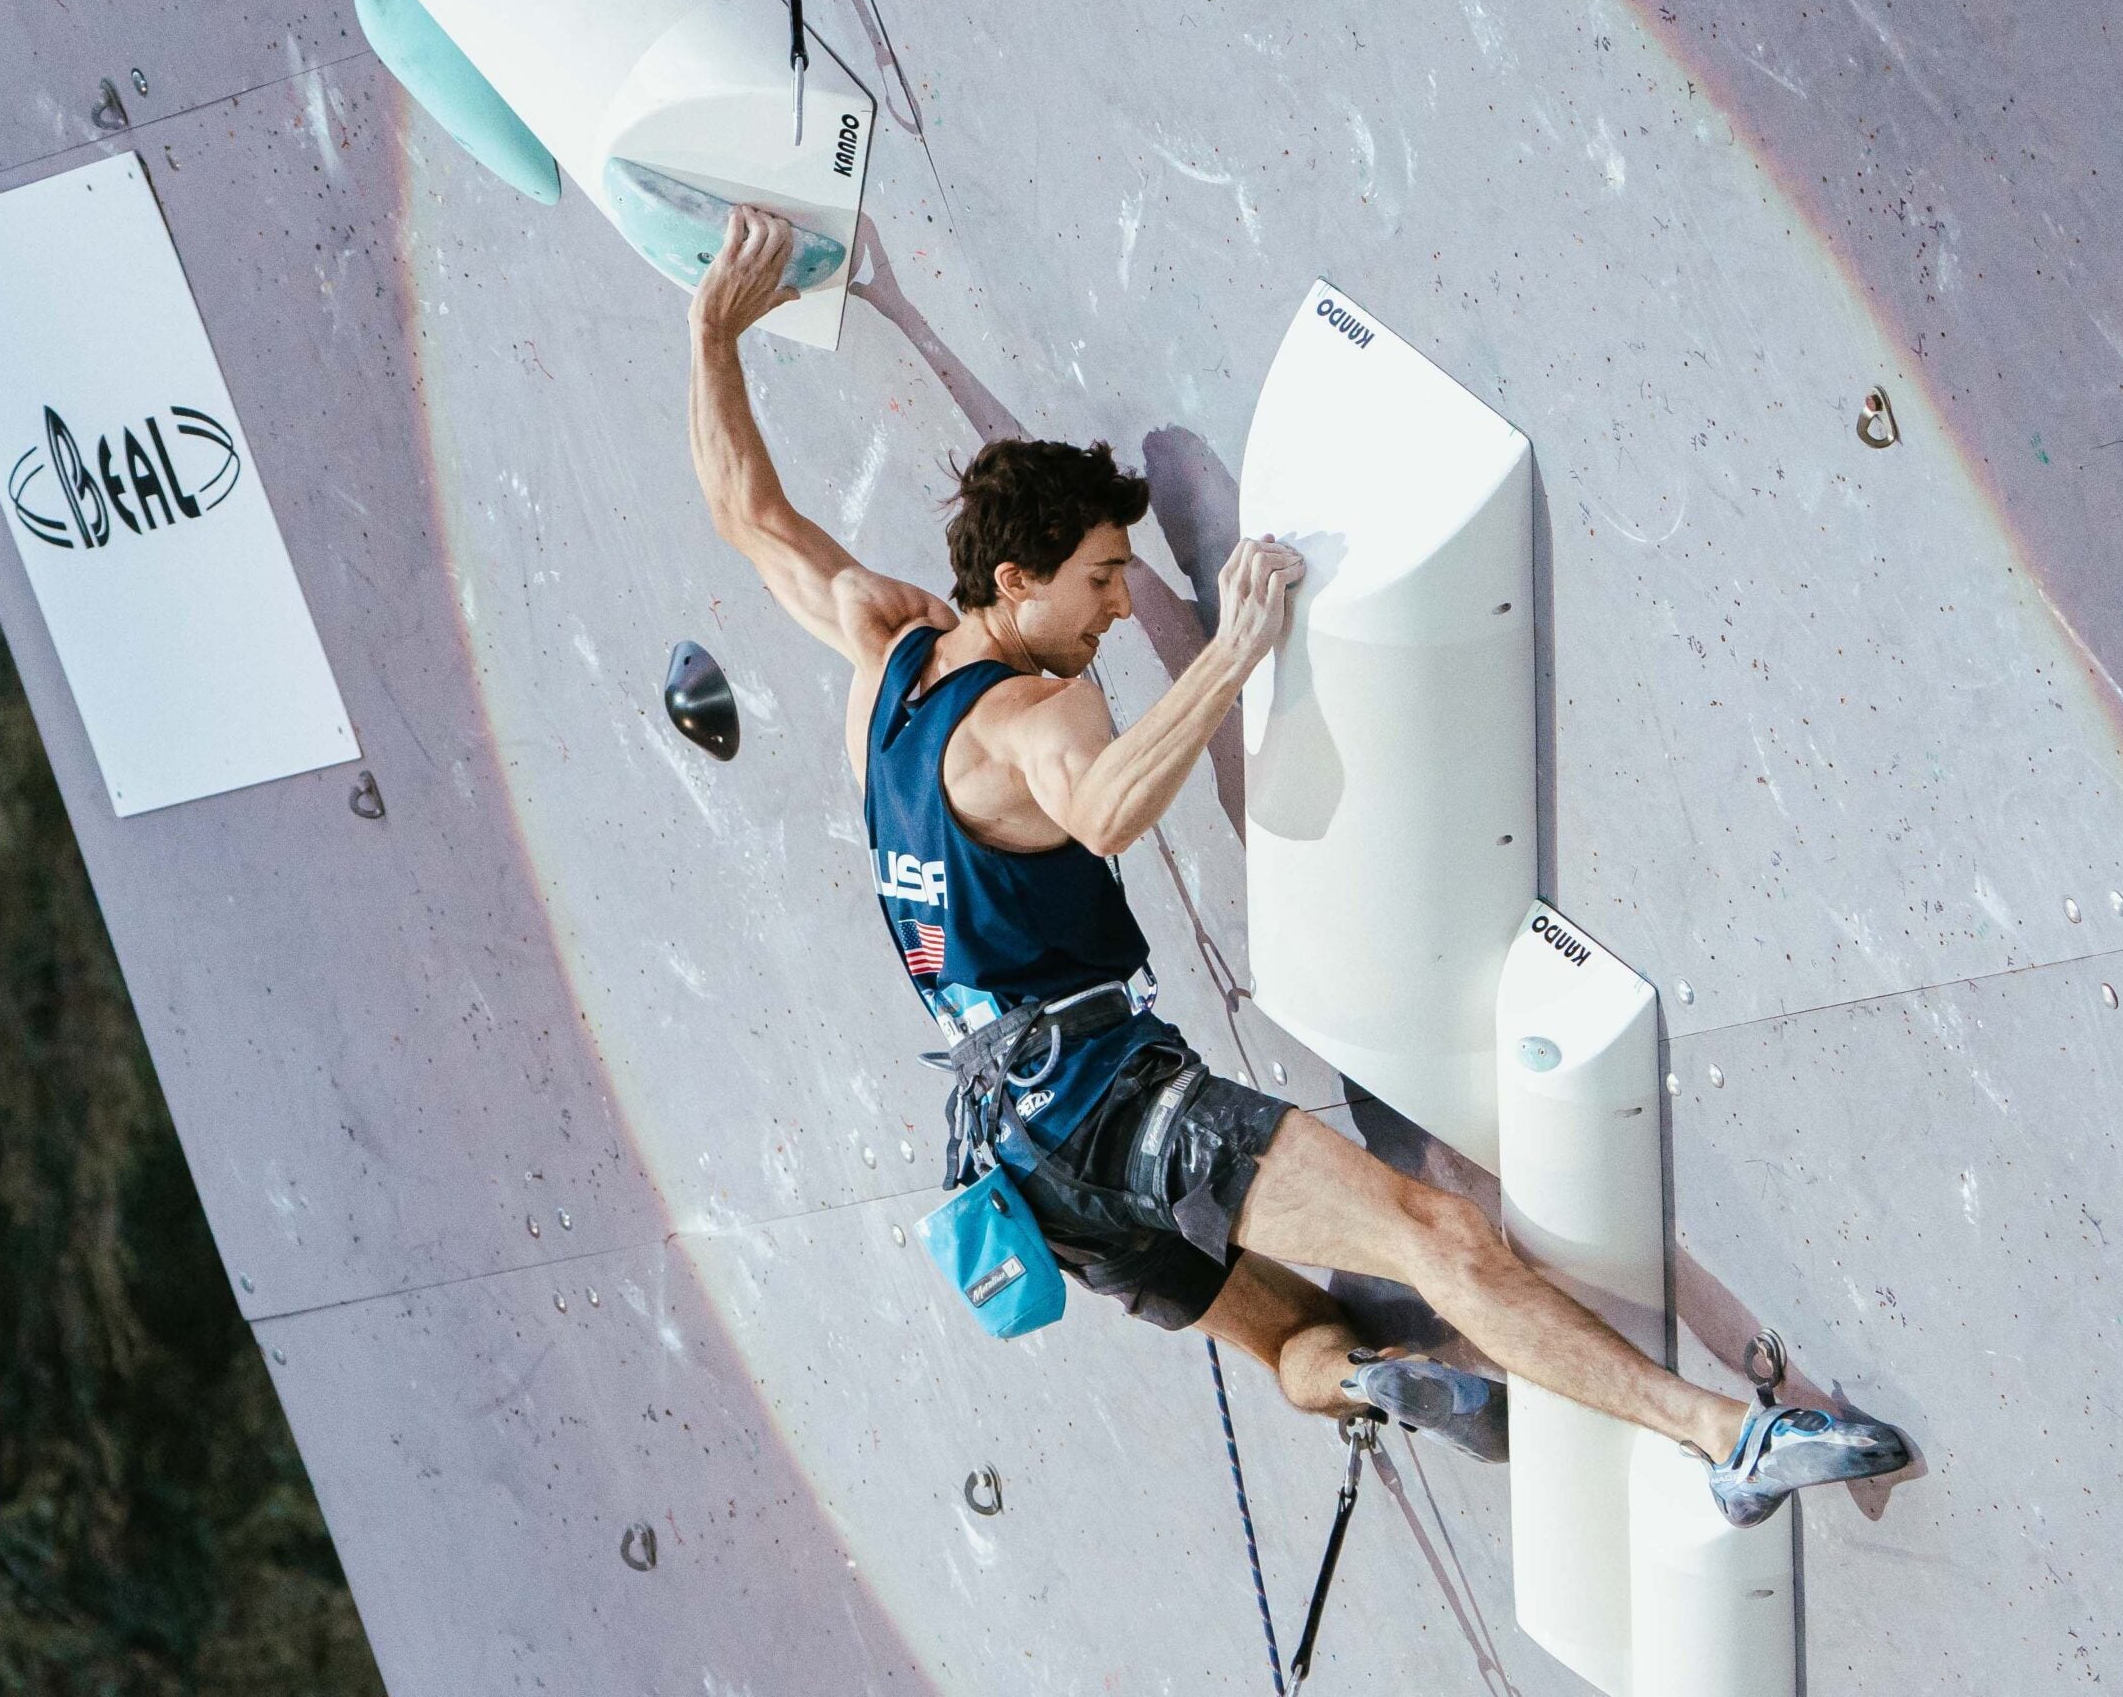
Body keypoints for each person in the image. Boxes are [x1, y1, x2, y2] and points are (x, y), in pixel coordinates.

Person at [684, 206, 1908, 1523]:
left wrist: (713, 330)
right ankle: (1726, 1434)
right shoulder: (1044, 716)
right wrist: (1235, 647)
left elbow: (747, 511)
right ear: (1018, 576)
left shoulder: (887, 649)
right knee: (1436, 1238)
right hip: (1116, 1108)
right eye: (1099, 582)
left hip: (1022, 1169)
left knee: (1295, 1334)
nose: (1112, 608)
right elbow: (1098, 813)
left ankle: (1377, 1383)